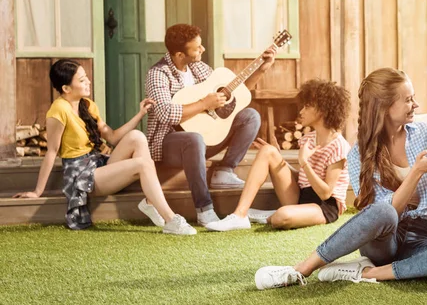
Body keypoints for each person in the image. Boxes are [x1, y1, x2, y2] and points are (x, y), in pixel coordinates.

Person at [253, 68, 427, 289]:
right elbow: (388, 213)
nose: (415, 104)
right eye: (408, 99)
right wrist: (416, 173)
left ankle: (367, 273)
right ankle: (299, 271)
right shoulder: (360, 151)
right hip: (383, 241)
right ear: (385, 107)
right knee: (384, 210)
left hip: (421, 237)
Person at [13, 59, 196, 235]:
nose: (88, 81)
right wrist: (37, 191)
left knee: (137, 137)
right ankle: (171, 220)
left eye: (86, 77)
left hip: (97, 165)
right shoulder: (58, 110)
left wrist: (140, 114)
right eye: (82, 79)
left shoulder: (88, 105)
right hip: (80, 176)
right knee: (142, 164)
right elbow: (52, 152)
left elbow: (114, 137)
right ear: (66, 88)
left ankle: (150, 202)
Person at [145, 24, 276, 227]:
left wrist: (261, 70)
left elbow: (235, 94)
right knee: (194, 138)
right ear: (180, 54)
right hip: (168, 144)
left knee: (250, 116)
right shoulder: (158, 74)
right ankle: (204, 209)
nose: (203, 50)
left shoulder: (199, 68)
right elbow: (165, 113)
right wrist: (204, 104)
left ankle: (224, 170)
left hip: (205, 140)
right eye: (197, 48)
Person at [205, 79, 352, 232]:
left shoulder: (339, 146)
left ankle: (268, 215)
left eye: (307, 106)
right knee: (268, 151)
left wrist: (304, 162)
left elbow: (325, 193)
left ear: (323, 110)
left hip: (324, 206)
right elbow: (302, 179)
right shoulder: (308, 139)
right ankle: (239, 215)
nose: (301, 111)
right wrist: (279, 159)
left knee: (281, 217)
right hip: (302, 196)